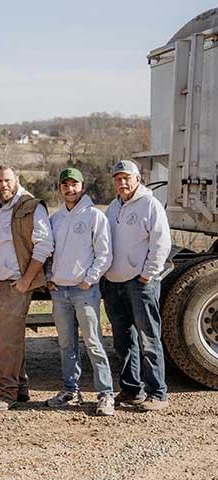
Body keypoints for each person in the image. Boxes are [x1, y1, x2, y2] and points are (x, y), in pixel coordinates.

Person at [0, 165, 53, 412]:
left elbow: (44, 246)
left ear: (17, 180)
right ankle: (20, 387)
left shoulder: (31, 207)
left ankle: (6, 393)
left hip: (15, 285)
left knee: (9, 342)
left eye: (8, 180)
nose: (4, 185)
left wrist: (26, 281)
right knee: (6, 340)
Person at [44, 167, 114, 416]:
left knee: (93, 342)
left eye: (74, 184)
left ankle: (105, 394)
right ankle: (70, 390)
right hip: (59, 291)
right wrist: (49, 277)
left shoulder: (95, 216)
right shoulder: (56, 219)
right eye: (65, 185)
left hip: (84, 291)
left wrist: (89, 279)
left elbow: (104, 254)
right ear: (60, 188)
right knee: (66, 344)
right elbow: (49, 252)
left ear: (82, 187)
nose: (69, 189)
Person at [103, 160, 171, 411]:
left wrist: (148, 274)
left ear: (138, 179)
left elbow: (161, 243)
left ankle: (158, 393)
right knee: (123, 340)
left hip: (139, 283)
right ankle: (132, 390)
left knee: (149, 339)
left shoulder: (149, 205)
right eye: (117, 179)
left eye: (126, 178)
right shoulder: (112, 208)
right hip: (114, 283)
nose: (122, 183)